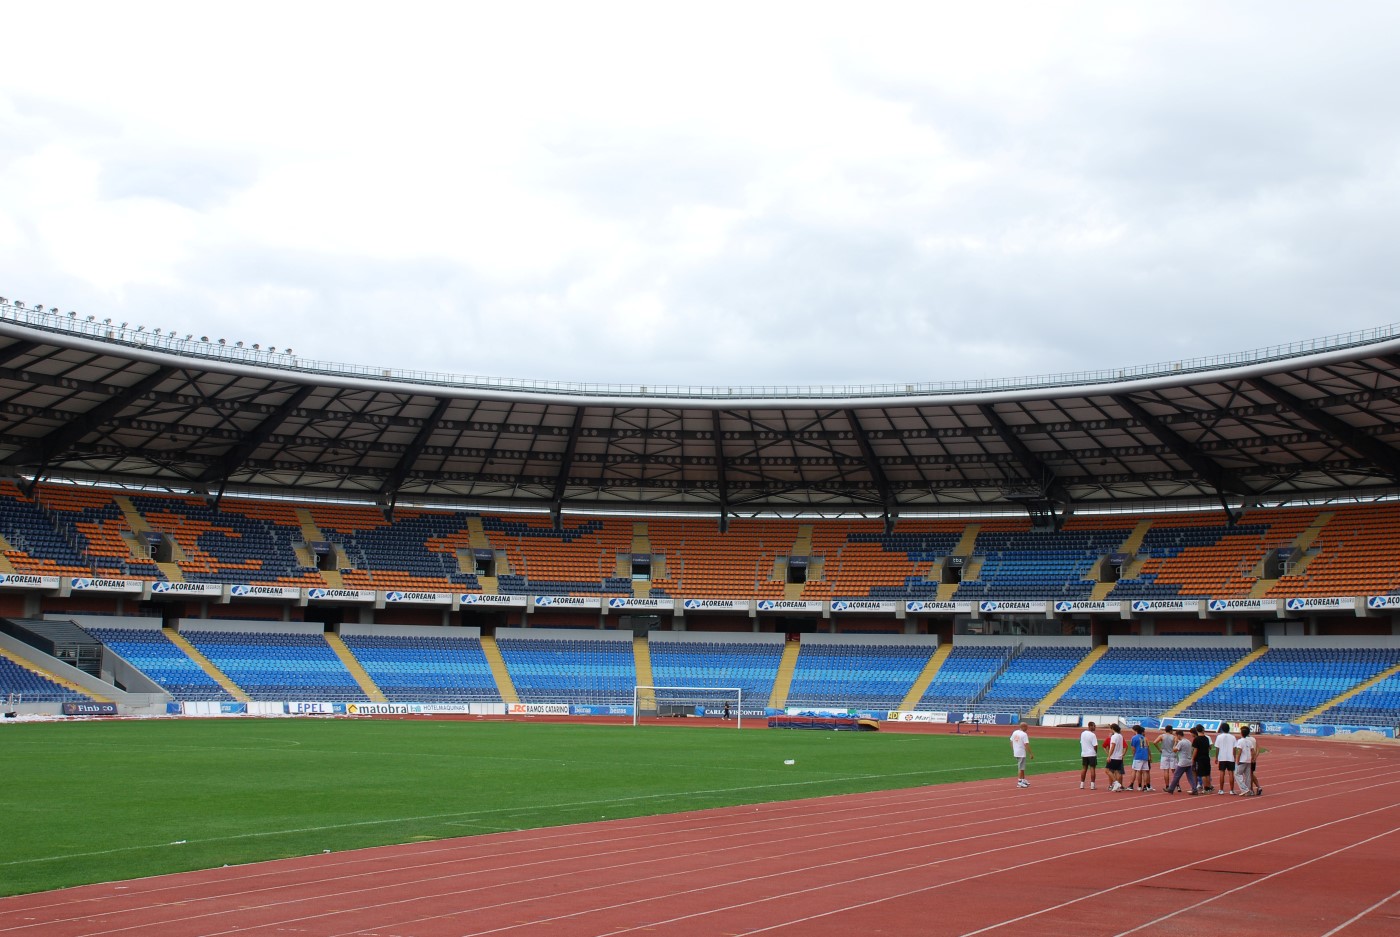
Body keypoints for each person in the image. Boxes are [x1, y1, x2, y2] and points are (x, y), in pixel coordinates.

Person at [1166, 728, 1197, 794]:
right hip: (1189, 761)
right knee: (1190, 777)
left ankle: (1171, 789)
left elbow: (1174, 750)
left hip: (1183, 762)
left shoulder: (1181, 742)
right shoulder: (1188, 741)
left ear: (1178, 735)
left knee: (1176, 775)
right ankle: (1194, 789)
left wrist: (1175, 742)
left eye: (1176, 736)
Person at [1214, 722, 1237, 795]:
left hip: (1222, 757)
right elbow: (1234, 749)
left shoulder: (1219, 737)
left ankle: (1221, 790)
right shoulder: (1233, 737)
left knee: (1222, 773)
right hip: (1230, 757)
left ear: (1222, 729)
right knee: (1231, 773)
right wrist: (1234, 757)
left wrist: (1216, 757)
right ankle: (1232, 790)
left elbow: (1217, 748)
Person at [1129, 724, 1153, 791]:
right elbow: (1146, 747)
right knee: (1145, 771)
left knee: (1137, 771)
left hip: (1138, 756)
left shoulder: (1134, 738)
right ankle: (1146, 786)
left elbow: (1133, 748)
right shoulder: (1144, 738)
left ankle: (1138, 786)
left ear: (1135, 730)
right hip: (1145, 756)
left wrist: (1134, 755)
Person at [1235, 724, 1258, 795]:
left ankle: (1244, 789)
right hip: (1249, 760)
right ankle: (1249, 791)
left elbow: (1239, 751)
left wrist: (1237, 760)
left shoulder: (1240, 741)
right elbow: (1253, 751)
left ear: (1241, 733)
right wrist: (1253, 758)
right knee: (1248, 776)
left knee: (1237, 774)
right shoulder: (1249, 741)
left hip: (1242, 760)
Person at [1010, 721, 1033, 788]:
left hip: (1016, 752)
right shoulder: (1024, 734)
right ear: (1024, 727)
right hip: (1021, 753)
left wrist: (1014, 749)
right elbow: (1026, 744)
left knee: (1022, 767)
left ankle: (1023, 779)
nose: (1027, 728)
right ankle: (1019, 782)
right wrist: (1030, 753)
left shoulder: (1015, 732)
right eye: (1027, 727)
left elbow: (1011, 741)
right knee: (1020, 768)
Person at [1191, 724, 1213, 793]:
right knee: (1207, 773)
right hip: (1206, 757)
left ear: (1197, 730)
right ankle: (1208, 787)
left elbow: (1195, 750)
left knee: (1203, 774)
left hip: (1200, 758)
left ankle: (1206, 788)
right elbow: (1209, 748)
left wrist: (1193, 758)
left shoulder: (1196, 739)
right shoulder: (1206, 738)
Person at [1155, 723, 1176, 791]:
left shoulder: (1161, 736)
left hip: (1164, 755)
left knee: (1166, 771)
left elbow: (1155, 742)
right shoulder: (1173, 737)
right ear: (1170, 730)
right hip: (1172, 754)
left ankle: (1167, 786)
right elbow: (1178, 743)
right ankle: (1177, 785)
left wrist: (1159, 749)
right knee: (1174, 771)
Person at [1079, 721, 1100, 790]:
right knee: (1092, 768)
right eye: (1094, 726)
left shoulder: (1083, 733)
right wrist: (1095, 753)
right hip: (1091, 754)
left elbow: (1081, 742)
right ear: (1090, 726)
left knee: (1084, 768)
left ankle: (1082, 784)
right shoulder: (1092, 735)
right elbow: (1095, 745)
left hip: (1084, 753)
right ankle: (1092, 785)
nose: (1095, 727)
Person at [1105, 723, 1126, 791]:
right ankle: (1118, 787)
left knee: (1107, 770)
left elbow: (1113, 746)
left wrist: (1109, 756)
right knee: (1117, 771)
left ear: (1112, 729)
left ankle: (1116, 783)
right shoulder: (1120, 736)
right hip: (1119, 756)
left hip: (1114, 756)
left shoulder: (1114, 736)